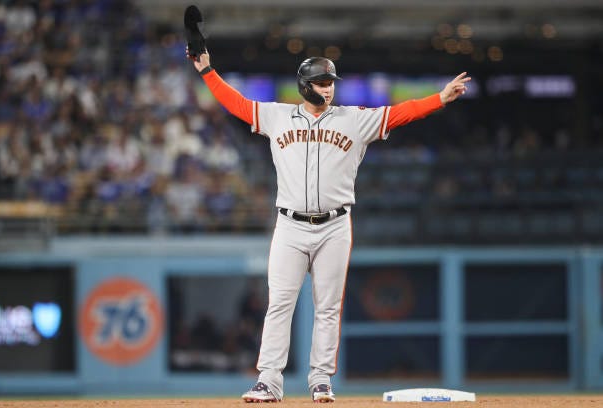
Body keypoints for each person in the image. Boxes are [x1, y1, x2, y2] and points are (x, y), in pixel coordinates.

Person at [187, 48, 470, 403]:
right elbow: (236, 103)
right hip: (289, 225)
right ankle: (268, 381)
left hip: (334, 225)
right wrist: (207, 70)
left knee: (328, 307)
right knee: (279, 304)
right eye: (321, 83)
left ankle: (320, 380)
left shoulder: (353, 120)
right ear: (305, 85)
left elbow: (400, 113)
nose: (328, 89)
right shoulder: (278, 116)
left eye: (331, 83)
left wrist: (440, 99)